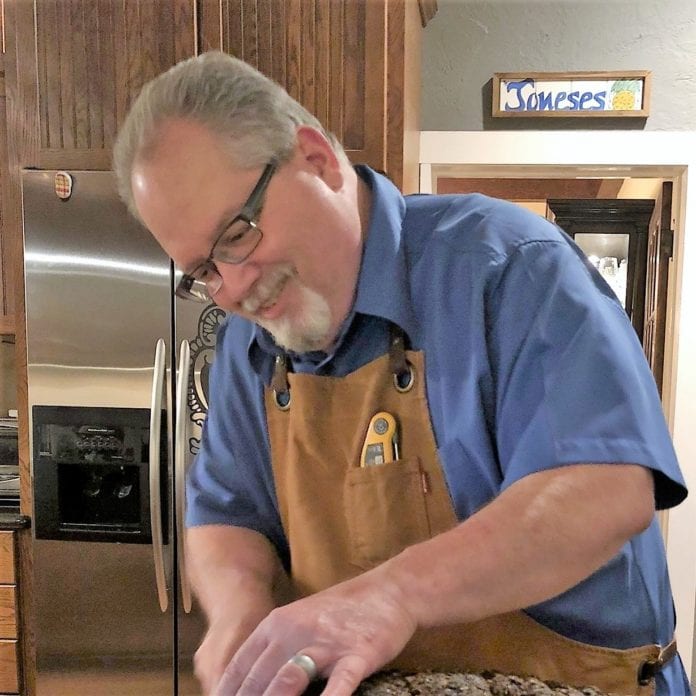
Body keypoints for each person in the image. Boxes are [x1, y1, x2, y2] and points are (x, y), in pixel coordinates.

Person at [113, 51, 691, 696]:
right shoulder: (249, 345)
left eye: (238, 236)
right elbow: (227, 511)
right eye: (202, 272)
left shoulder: (509, 267)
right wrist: (238, 615)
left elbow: (605, 490)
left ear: (316, 159)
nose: (233, 288)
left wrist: (392, 596)